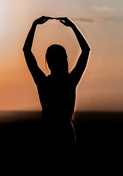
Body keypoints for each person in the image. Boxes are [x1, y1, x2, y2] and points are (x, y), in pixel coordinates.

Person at [23, 16, 90, 153]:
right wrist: (73, 27)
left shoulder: (44, 82)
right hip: (66, 132)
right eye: (63, 57)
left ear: (48, 61)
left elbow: (27, 51)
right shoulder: (70, 81)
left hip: (48, 132)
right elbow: (86, 51)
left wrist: (34, 25)